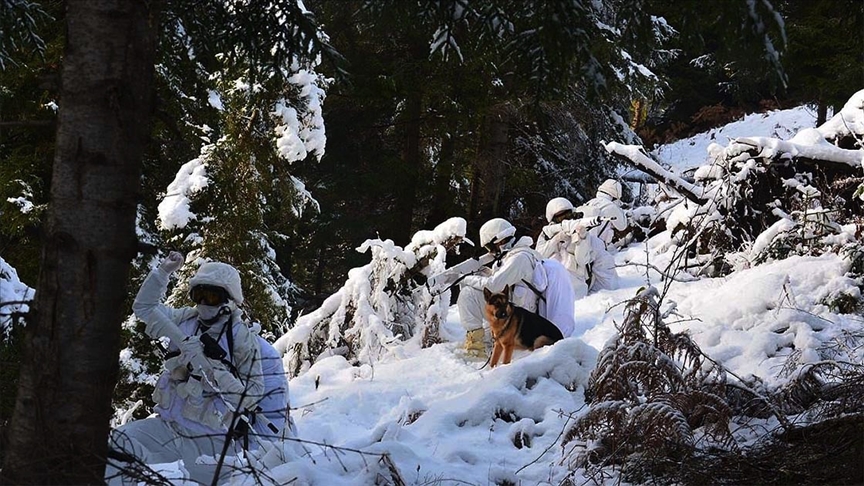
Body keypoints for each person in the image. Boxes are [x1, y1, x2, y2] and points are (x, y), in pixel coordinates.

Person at [107, 252, 266, 485]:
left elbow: (252, 397)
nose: (202, 303)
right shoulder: (186, 319)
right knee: (117, 447)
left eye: (211, 296)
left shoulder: (240, 338)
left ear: (228, 300)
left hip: (212, 441)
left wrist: (211, 367)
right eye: (198, 294)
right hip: (169, 428)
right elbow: (143, 308)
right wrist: (162, 273)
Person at [457, 218, 543, 357]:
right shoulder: (517, 255)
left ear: (500, 241)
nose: (491, 252)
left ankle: (475, 349)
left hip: (520, 317)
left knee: (468, 293)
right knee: (475, 286)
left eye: (490, 247)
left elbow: (494, 285)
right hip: (518, 310)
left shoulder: (519, 258)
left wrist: (463, 278)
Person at [537, 197, 619, 293]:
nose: (565, 220)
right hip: (552, 284)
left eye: (567, 215)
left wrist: (582, 240)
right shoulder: (546, 234)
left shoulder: (579, 231)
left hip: (576, 284)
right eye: (560, 217)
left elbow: (582, 260)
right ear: (552, 220)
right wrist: (556, 239)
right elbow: (538, 256)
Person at [575, 179, 629, 248]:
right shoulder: (610, 206)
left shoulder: (590, 202)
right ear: (615, 195)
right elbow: (622, 226)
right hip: (597, 248)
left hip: (583, 244)